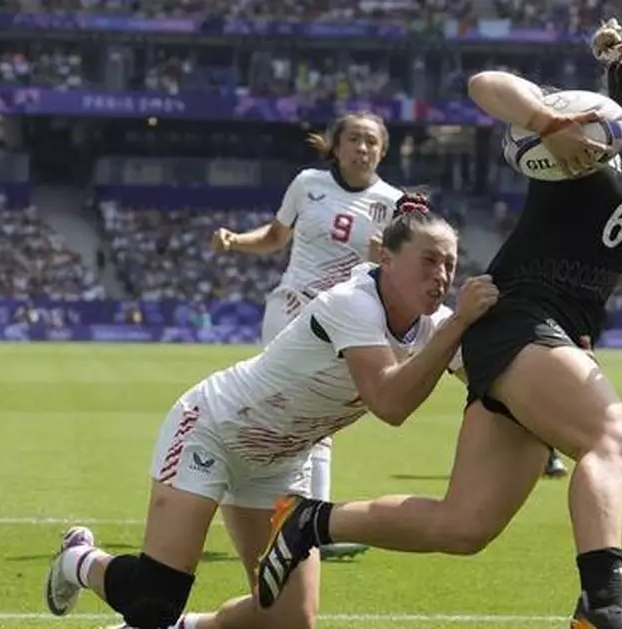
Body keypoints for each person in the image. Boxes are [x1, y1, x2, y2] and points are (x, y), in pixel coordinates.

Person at [253, 17, 622, 629]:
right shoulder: (591, 124)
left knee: (464, 526)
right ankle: (603, 608)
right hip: (518, 319)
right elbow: (487, 83)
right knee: (613, 442)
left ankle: (308, 521)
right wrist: (546, 125)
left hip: (550, 336)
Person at [43, 197, 499, 629]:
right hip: (214, 431)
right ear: (388, 259)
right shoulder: (353, 304)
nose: (442, 276)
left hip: (279, 462)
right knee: (154, 599)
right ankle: (79, 559)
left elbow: (493, 379)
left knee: (287, 620)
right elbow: (390, 403)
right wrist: (459, 325)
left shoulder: (434, 327)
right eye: (429, 261)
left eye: (450, 265)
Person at [210, 112, 404, 560]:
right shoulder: (308, 183)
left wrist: (384, 259)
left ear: (382, 151)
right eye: (354, 139)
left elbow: (400, 269)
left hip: (348, 320)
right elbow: (277, 236)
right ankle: (301, 521)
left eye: (371, 141)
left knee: (321, 421)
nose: (362, 148)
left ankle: (299, 520)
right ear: (335, 147)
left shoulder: (393, 203)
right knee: (285, 409)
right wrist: (237, 241)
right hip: (293, 309)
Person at [544, 248, 622, 479]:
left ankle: (567, 447)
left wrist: (608, 271)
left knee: (572, 383)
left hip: (590, 315)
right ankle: (551, 452)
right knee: (560, 380)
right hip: (556, 310)